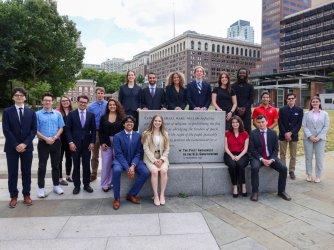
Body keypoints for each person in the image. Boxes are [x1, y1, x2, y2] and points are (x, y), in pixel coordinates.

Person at [2, 87, 37, 208]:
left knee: (26, 172)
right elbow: (6, 129)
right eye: (16, 95)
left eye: (21, 95)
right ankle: (13, 196)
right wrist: (16, 144)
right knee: (12, 173)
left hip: (27, 147)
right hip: (12, 148)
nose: (19, 97)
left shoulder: (31, 112)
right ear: (13, 97)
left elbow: (33, 130)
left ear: (25, 97)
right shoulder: (7, 112)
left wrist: (25, 144)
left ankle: (26, 195)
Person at [249, 115, 291, 202]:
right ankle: (255, 192)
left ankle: (281, 191)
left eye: (263, 122)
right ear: (256, 123)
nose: (261, 124)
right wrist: (262, 159)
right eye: (259, 122)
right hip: (258, 158)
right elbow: (252, 150)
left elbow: (276, 149)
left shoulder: (273, 133)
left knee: (283, 169)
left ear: (267, 122)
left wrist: (271, 159)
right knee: (254, 168)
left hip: (270, 157)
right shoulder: (253, 133)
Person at [112, 115, 150, 210]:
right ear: (124, 124)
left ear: (134, 124)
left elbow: (138, 152)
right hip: (120, 161)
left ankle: (131, 194)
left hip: (134, 161)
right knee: (116, 171)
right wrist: (127, 167)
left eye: (131, 122)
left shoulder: (138, 136)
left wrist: (133, 166)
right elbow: (118, 154)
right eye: (127, 122)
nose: (130, 123)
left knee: (145, 172)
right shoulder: (117, 136)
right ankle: (116, 198)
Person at [36, 93, 65, 198]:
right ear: (42, 101)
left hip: (56, 142)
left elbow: (61, 127)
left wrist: (55, 137)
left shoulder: (57, 114)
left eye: (49, 100)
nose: (47, 102)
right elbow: (35, 130)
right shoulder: (37, 114)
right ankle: (41, 188)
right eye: (45, 100)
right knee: (42, 166)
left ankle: (56, 185)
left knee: (56, 165)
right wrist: (45, 138)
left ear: (53, 102)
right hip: (43, 143)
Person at [66, 95, 96, 195]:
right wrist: (70, 142)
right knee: (76, 165)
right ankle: (77, 186)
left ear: (87, 103)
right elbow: (68, 129)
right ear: (77, 102)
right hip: (75, 144)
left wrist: (92, 142)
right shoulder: (71, 114)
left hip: (87, 145)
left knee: (86, 165)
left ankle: (86, 185)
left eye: (85, 102)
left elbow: (94, 130)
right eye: (81, 102)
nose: (83, 104)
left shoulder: (91, 115)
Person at [142, 115, 170, 206]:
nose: (157, 122)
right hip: (150, 158)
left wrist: (161, 160)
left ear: (162, 123)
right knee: (154, 171)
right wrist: (154, 161)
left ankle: (162, 195)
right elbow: (145, 148)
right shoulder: (146, 133)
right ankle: (156, 195)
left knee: (164, 171)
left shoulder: (165, 133)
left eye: (159, 121)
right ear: (153, 122)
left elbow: (167, 149)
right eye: (156, 121)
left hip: (162, 158)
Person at [99, 98, 125, 192]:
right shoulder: (103, 117)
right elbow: (100, 132)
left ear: (117, 106)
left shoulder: (122, 117)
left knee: (117, 163)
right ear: (108, 106)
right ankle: (105, 184)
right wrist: (102, 143)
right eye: (110, 105)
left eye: (114, 104)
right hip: (106, 143)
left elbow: (125, 131)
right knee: (106, 164)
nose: (112, 106)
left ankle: (115, 182)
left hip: (119, 143)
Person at [302, 96, 329, 183]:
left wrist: (319, 137)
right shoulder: (306, 114)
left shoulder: (325, 114)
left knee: (319, 158)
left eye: (316, 102)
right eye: (313, 102)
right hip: (308, 138)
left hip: (320, 139)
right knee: (308, 157)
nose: (315, 103)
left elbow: (326, 126)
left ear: (319, 103)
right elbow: (304, 125)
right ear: (311, 103)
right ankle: (309, 175)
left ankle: (318, 176)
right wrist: (310, 136)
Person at [278, 93, 303, 180]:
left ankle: (291, 171)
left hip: (294, 136)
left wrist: (291, 133)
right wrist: (285, 133)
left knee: (293, 155)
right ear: (286, 100)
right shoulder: (282, 109)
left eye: (292, 98)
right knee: (282, 154)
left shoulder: (299, 110)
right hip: (283, 135)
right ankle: (283, 169)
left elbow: (299, 124)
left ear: (295, 99)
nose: (291, 100)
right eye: (289, 99)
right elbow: (280, 122)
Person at [224, 116, 249, 198]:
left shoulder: (245, 134)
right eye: (233, 122)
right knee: (232, 165)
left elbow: (245, 149)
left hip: (242, 154)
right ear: (231, 124)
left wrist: (239, 156)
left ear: (240, 123)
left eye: (236, 122)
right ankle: (235, 185)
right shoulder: (227, 133)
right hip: (229, 154)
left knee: (240, 165)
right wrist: (231, 156)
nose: (235, 124)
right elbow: (226, 148)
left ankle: (243, 184)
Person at [88, 87, 107, 182]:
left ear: (104, 94)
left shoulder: (108, 105)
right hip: (95, 132)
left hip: (105, 133)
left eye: (102, 93)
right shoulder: (91, 107)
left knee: (106, 155)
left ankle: (107, 174)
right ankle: (94, 173)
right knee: (94, 155)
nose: (100, 94)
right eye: (98, 93)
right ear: (96, 94)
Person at [56, 95, 73, 185]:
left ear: (69, 101)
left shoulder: (73, 112)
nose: (65, 102)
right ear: (61, 102)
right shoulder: (57, 112)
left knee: (69, 158)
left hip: (70, 139)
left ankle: (68, 175)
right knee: (59, 159)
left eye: (67, 100)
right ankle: (60, 178)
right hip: (59, 139)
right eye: (63, 101)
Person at [231, 68, 254, 134]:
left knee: (247, 130)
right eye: (240, 73)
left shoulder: (250, 86)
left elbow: (251, 99)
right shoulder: (233, 86)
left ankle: (247, 144)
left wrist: (244, 108)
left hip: (246, 112)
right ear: (238, 74)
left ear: (246, 75)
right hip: (236, 111)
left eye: (244, 73)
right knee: (235, 129)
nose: (242, 74)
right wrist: (237, 108)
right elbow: (231, 99)